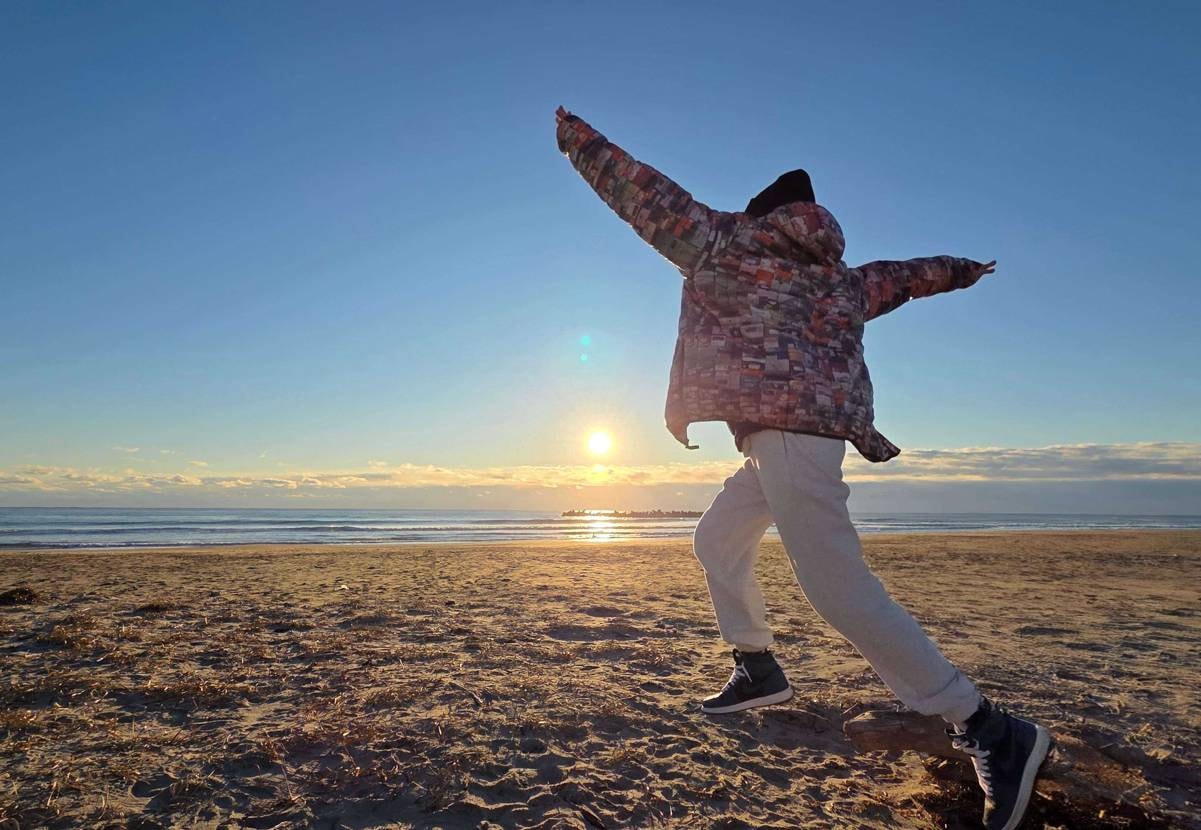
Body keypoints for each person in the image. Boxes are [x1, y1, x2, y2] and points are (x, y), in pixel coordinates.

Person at [555, 106, 1051, 830]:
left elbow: (641, 192)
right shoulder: (845, 281)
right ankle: (758, 668)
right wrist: (967, 270)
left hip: (791, 444)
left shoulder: (725, 242)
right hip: (781, 445)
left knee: (839, 590)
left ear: (763, 213)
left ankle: (985, 726)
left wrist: (576, 138)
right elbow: (911, 275)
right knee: (716, 540)